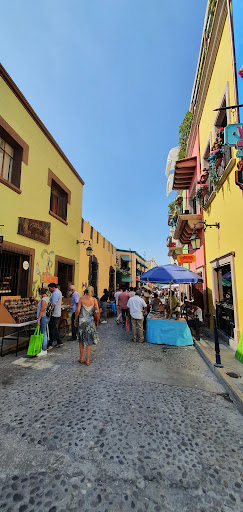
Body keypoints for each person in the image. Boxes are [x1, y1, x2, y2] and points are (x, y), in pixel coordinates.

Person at [74, 286, 99, 365]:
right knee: (89, 341)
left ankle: (81, 358)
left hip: (82, 321)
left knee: (81, 340)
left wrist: (75, 319)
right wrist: (97, 321)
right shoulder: (94, 300)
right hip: (90, 322)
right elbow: (97, 311)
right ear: (92, 292)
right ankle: (87, 360)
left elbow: (77, 310)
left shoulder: (81, 299)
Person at [47, 283, 63, 349]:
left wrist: (49, 312)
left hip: (54, 313)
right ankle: (59, 341)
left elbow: (53, 304)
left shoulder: (55, 293)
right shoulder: (58, 292)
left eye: (49, 288)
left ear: (52, 287)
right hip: (56, 313)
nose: (49, 289)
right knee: (54, 327)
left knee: (52, 328)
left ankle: (51, 342)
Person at [36, 287, 49, 356]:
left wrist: (38, 319)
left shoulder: (43, 300)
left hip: (43, 317)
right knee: (44, 332)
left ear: (41, 293)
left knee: (43, 333)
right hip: (46, 317)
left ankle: (44, 349)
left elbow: (42, 309)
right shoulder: (47, 299)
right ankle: (43, 348)